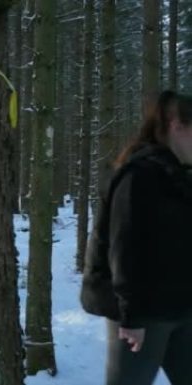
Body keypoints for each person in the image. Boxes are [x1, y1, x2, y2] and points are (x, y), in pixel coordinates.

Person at [81, 90, 192, 385]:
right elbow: (124, 249)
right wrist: (132, 317)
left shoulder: (180, 177)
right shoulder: (138, 175)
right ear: (176, 125)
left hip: (180, 306)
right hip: (142, 312)